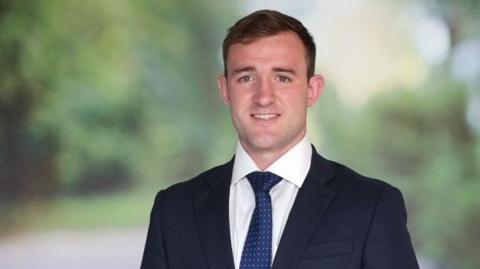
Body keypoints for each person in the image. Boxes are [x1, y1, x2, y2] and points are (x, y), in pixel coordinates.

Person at [141, 9, 419, 269]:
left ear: (312, 89)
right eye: (246, 77)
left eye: (282, 78)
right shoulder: (174, 211)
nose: (264, 97)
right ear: (225, 89)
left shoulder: (372, 206)